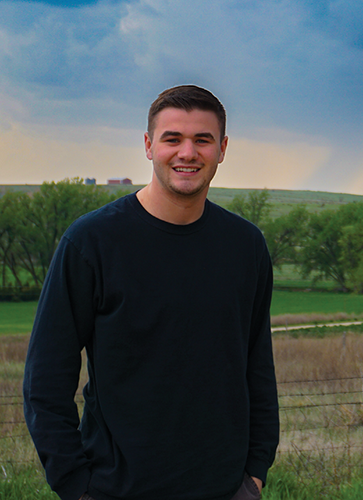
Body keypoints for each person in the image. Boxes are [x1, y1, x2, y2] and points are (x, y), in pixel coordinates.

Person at [23, 85, 279, 500]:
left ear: (223, 148)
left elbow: (256, 365)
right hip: (116, 489)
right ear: (148, 145)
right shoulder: (92, 243)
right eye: (172, 139)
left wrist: (254, 472)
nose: (187, 152)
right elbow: (45, 379)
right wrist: (76, 484)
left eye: (202, 140)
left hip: (225, 488)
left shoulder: (245, 246)